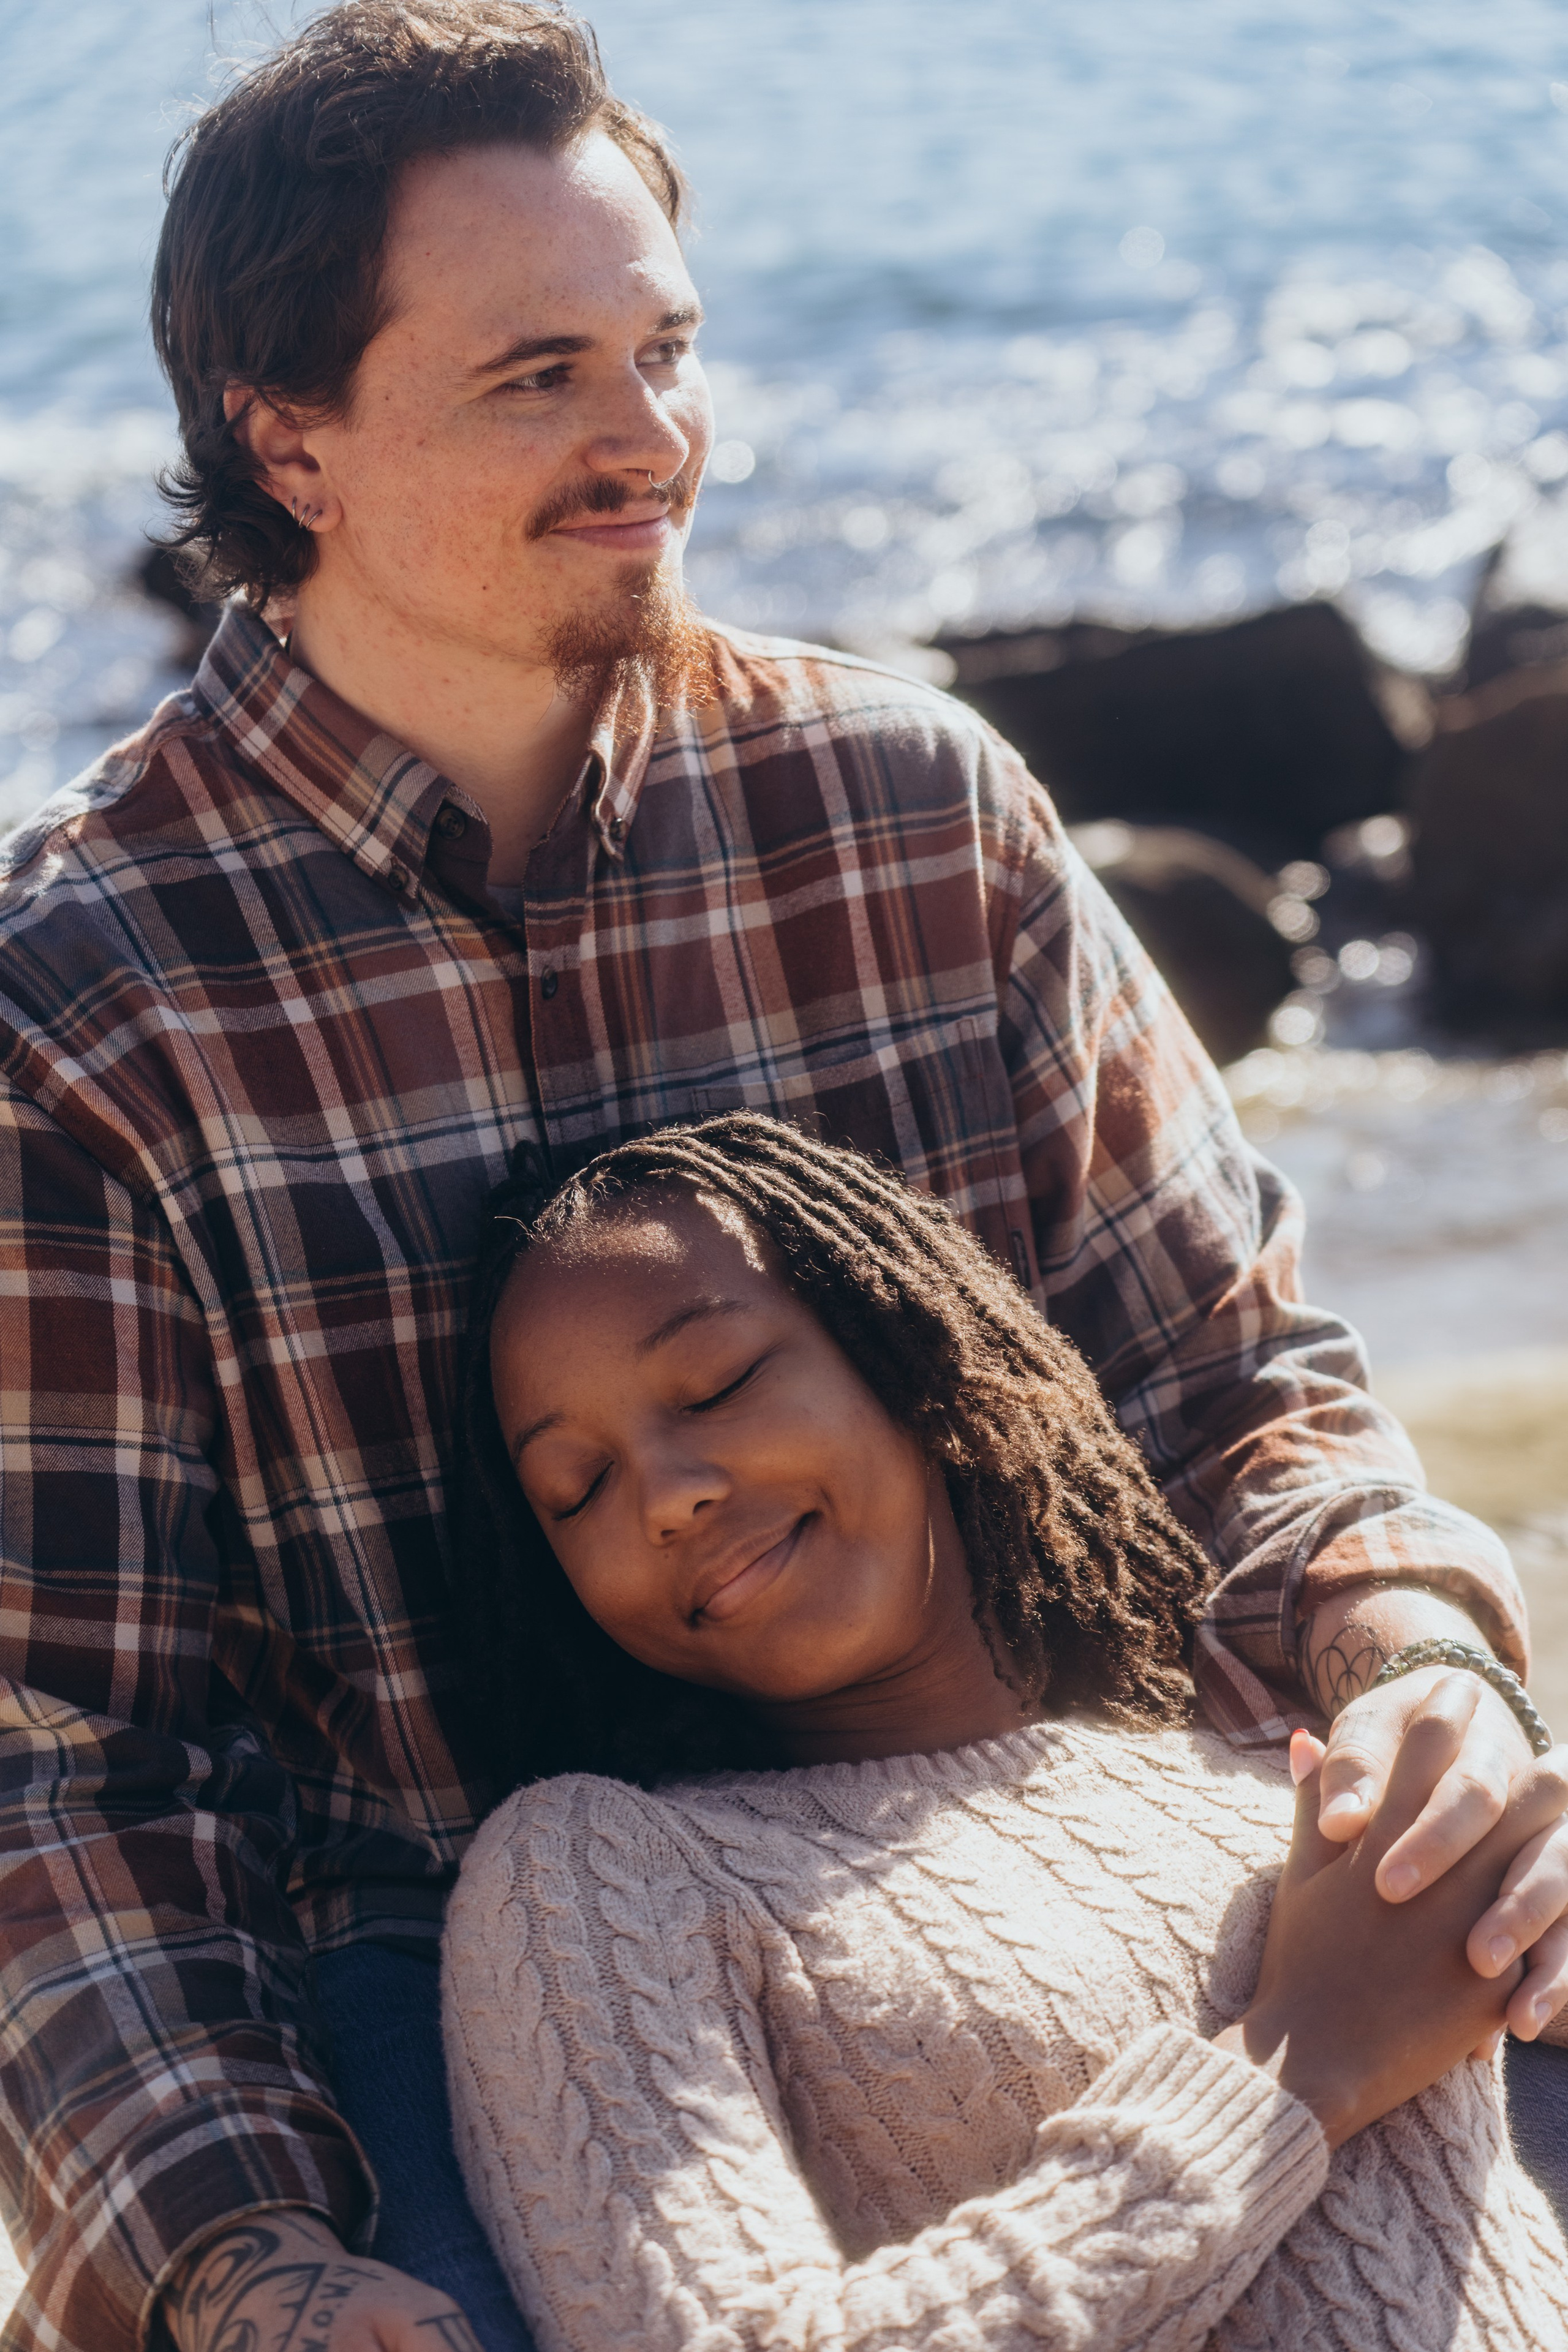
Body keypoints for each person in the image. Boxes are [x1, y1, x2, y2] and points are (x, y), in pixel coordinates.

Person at [0, 4, 1562, 2349]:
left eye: (667, 348)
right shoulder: (82, 999)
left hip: (1043, 1807)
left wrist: (1415, 1660)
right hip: (433, 1959)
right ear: (288, 438)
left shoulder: (913, 811)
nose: (652, 444)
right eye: (539, 376)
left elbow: (1242, 1386)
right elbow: (74, 1759)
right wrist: (238, 2261)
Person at [442, 1112, 1568, 2352]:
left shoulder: (1252, 1765)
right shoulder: (590, 1873)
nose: (666, 1493)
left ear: (904, 1356)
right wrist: (1292, 2072)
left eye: (715, 1386)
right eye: (578, 1488)